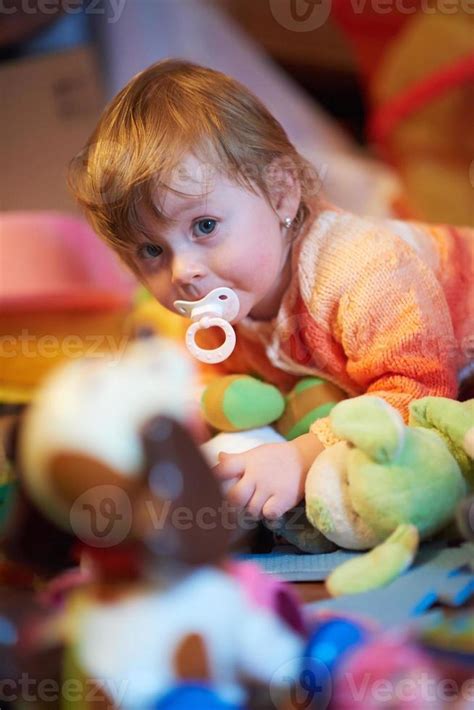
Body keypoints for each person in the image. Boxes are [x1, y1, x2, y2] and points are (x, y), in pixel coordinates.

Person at [69, 59, 473, 521]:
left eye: (204, 226)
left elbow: (421, 392)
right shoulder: (216, 308)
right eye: (150, 251)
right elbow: (222, 386)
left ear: (280, 193)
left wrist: (302, 457)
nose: (183, 270)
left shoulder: (363, 271)